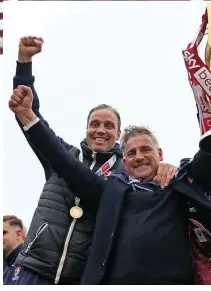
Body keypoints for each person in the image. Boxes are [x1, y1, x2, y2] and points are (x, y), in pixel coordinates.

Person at [9, 85, 211, 285]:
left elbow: (206, 164)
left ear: (160, 153)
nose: (139, 157)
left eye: (146, 150)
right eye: (132, 152)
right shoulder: (110, 190)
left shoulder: (177, 182)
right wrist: (28, 116)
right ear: (124, 162)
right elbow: (64, 163)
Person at [5, 36, 177, 285]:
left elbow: (150, 174)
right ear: (85, 129)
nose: (100, 130)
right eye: (94, 124)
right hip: (34, 269)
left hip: (80, 277)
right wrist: (24, 64)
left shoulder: (126, 173)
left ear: (118, 134)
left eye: (109, 126)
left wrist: (165, 167)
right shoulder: (61, 154)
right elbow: (32, 117)